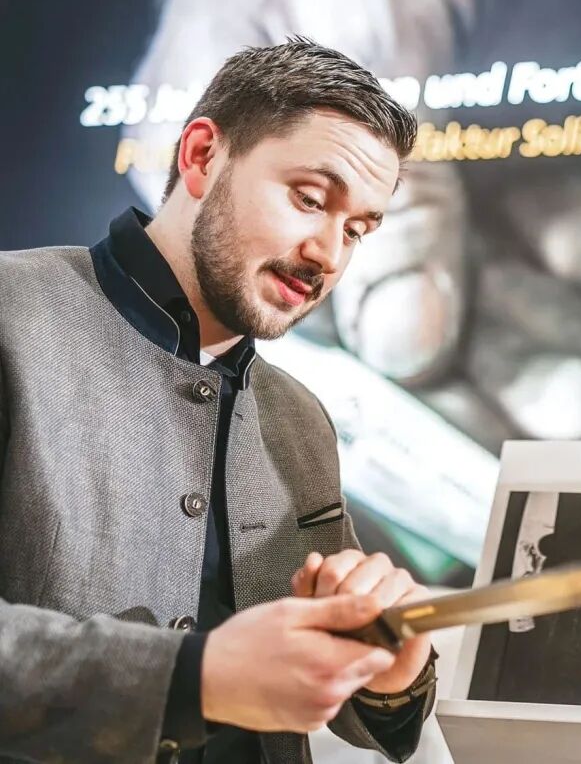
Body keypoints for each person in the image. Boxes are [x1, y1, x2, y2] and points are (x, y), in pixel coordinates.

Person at [0, 40, 437, 764]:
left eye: (357, 229)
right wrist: (190, 681)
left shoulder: (300, 419)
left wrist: (394, 667)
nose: (329, 253)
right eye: (309, 199)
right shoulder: (13, 315)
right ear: (202, 156)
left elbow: (376, 720)